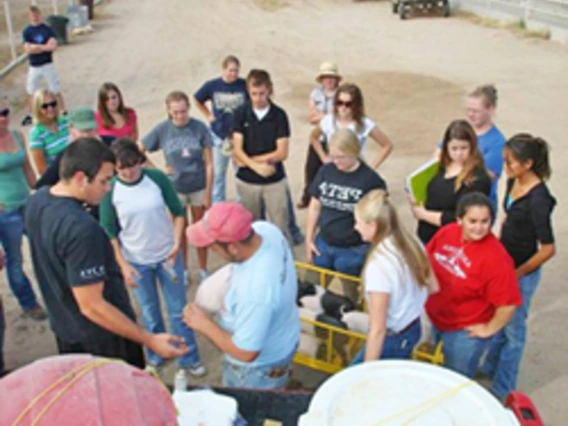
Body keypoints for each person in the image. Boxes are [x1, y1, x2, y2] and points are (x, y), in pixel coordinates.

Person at [25, 138, 188, 368]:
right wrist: (148, 339)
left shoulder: (37, 201)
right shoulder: (81, 229)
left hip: (66, 332)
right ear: (80, 178)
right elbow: (92, 305)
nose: (108, 188)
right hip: (102, 341)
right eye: (103, 181)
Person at [100, 139, 205, 378]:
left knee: (178, 309)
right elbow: (109, 231)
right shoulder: (111, 190)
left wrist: (177, 243)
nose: (127, 172)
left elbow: (178, 212)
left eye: (132, 165)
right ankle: (156, 355)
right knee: (149, 311)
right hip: (136, 261)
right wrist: (124, 265)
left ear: (140, 161)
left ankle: (188, 356)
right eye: (121, 168)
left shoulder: (157, 179)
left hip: (167, 255)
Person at [183, 202, 299, 389]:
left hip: (257, 370)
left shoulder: (256, 291)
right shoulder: (266, 231)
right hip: (285, 335)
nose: (214, 252)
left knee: (248, 411)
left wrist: (204, 325)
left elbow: (246, 352)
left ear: (234, 247)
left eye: (214, 248)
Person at [483, 134, 556, 401]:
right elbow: (508, 219)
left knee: (514, 331)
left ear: (528, 164)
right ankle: (490, 368)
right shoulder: (513, 181)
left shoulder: (539, 200)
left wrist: (517, 273)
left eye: (511, 163)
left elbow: (548, 248)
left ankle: (503, 387)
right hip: (505, 265)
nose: (506, 168)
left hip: (520, 273)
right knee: (499, 321)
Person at [425, 193, 521, 378]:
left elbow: (508, 304)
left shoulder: (497, 259)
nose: (479, 227)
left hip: (463, 332)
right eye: (473, 221)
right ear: (460, 219)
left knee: (456, 380)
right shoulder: (446, 233)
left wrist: (489, 329)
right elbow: (426, 260)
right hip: (434, 317)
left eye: (485, 221)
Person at [350, 190, 435, 364]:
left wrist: (366, 371)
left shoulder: (378, 266)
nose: (355, 227)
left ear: (373, 225)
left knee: (353, 382)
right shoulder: (412, 242)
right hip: (412, 327)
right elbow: (434, 286)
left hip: (392, 337)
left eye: (358, 222)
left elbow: (378, 330)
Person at [142, 91, 213, 282]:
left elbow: (209, 163)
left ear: (189, 108)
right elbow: (139, 149)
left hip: (197, 186)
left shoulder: (199, 128)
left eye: (183, 111)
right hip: (175, 189)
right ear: (168, 111)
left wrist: (208, 192)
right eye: (175, 112)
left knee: (199, 230)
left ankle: (203, 268)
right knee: (180, 232)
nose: (180, 116)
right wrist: (157, 171)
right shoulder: (162, 130)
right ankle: (184, 269)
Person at [306, 129, 387, 277]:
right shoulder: (326, 171)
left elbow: (379, 219)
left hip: (354, 249)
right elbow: (315, 206)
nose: (336, 161)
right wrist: (309, 239)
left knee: (351, 294)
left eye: (341, 157)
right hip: (323, 243)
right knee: (311, 286)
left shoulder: (371, 180)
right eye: (332, 156)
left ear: (354, 152)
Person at [232, 69, 292, 240]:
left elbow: (282, 152)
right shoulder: (240, 113)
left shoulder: (279, 115)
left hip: (274, 182)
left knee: (280, 227)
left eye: (262, 94)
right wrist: (258, 167)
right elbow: (237, 148)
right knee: (250, 229)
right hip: (247, 182)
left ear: (269, 90)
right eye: (254, 94)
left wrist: (249, 161)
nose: (258, 98)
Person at [0, 102, 46, 320]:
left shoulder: (17, 136)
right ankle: (28, 302)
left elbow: (27, 166)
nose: (3, 118)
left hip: (25, 202)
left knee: (44, 245)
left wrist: (37, 191)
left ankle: (54, 288)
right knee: (15, 259)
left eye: (5, 112)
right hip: (5, 210)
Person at [411, 119, 491, 244]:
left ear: (472, 147)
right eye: (454, 149)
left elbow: (460, 217)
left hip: (451, 241)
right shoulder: (442, 166)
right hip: (428, 237)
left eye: (464, 148)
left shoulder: (478, 178)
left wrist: (423, 214)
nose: (459, 154)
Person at [435, 85, 505, 206]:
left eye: (476, 111)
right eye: (468, 110)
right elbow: (438, 157)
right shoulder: (461, 130)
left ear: (490, 109)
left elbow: (487, 176)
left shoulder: (497, 142)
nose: (471, 114)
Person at [193, 55, 248, 204]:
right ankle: (218, 205)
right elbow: (197, 99)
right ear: (223, 69)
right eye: (230, 71)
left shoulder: (244, 85)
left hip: (238, 135)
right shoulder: (213, 86)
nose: (233, 74)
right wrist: (208, 114)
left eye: (236, 71)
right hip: (219, 135)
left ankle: (241, 203)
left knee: (241, 172)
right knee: (218, 173)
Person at [310, 83, 393, 171]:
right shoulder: (328, 121)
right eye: (339, 103)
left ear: (356, 105)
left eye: (348, 104)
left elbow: (387, 145)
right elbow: (313, 137)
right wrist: (323, 157)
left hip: (355, 169)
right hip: (334, 168)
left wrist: (372, 167)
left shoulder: (364, 124)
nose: (343, 107)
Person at [297, 61, 342, 209]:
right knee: (311, 168)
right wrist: (330, 116)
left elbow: (340, 116)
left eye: (331, 77)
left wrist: (321, 116)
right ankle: (308, 195)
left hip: (335, 139)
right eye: (326, 77)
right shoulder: (315, 93)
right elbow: (311, 118)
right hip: (319, 137)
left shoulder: (341, 94)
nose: (329, 80)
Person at [21, 6, 66, 126]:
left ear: (39, 15)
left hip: (47, 63)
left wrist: (37, 47)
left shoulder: (47, 29)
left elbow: (53, 46)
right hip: (34, 65)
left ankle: (63, 110)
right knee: (31, 90)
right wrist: (43, 47)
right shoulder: (27, 31)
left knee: (55, 88)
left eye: (36, 14)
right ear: (29, 16)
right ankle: (30, 114)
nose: (34, 17)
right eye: (32, 15)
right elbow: (28, 49)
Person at [35, 106, 99, 190]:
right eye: (82, 131)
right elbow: (42, 186)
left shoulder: (108, 146)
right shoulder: (64, 157)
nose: (86, 135)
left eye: (90, 130)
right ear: (71, 129)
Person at [28, 89, 70, 175]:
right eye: (44, 106)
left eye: (53, 104)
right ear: (37, 109)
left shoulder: (66, 122)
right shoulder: (36, 134)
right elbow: (42, 169)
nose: (50, 108)